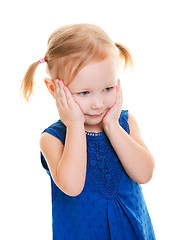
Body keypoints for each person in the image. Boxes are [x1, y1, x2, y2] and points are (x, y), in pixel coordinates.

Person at [21, 23, 156, 239]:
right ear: (54, 89)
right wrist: (74, 125)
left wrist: (112, 125)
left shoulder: (125, 121)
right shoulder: (52, 139)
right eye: (84, 93)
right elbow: (72, 186)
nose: (98, 103)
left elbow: (145, 173)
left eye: (108, 89)